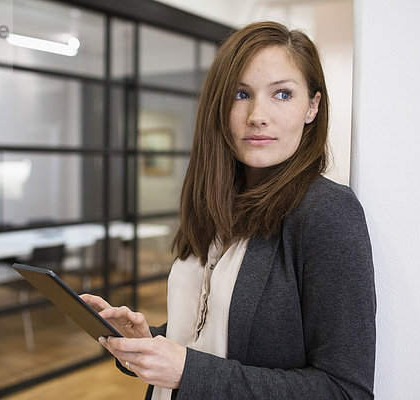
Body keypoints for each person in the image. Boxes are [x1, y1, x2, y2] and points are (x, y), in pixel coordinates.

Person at [82, 21, 376, 399]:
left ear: (312, 107)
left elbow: (344, 390)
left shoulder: (327, 213)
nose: (257, 115)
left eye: (282, 94)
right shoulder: (218, 203)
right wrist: (147, 341)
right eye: (241, 94)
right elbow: (211, 335)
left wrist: (187, 371)